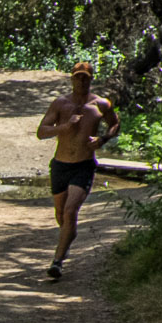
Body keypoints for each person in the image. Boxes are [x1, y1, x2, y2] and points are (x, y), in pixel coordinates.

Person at [36, 61, 120, 279]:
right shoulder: (60, 104)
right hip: (60, 165)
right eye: (78, 77)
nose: (82, 81)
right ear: (72, 79)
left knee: (70, 211)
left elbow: (115, 124)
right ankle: (68, 235)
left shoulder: (101, 104)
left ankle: (57, 261)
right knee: (61, 214)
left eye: (85, 77)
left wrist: (103, 139)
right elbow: (41, 131)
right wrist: (65, 126)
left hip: (84, 165)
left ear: (91, 79)